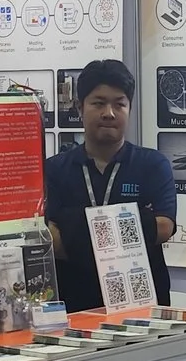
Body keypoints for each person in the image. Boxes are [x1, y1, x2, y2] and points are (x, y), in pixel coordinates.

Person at [43, 59, 178, 310]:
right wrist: (138, 219)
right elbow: (52, 240)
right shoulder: (54, 170)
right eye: (99, 103)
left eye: (119, 104)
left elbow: (163, 227)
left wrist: (74, 225)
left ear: (129, 109)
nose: (109, 113)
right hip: (74, 309)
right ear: (80, 108)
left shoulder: (153, 165)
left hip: (143, 307)